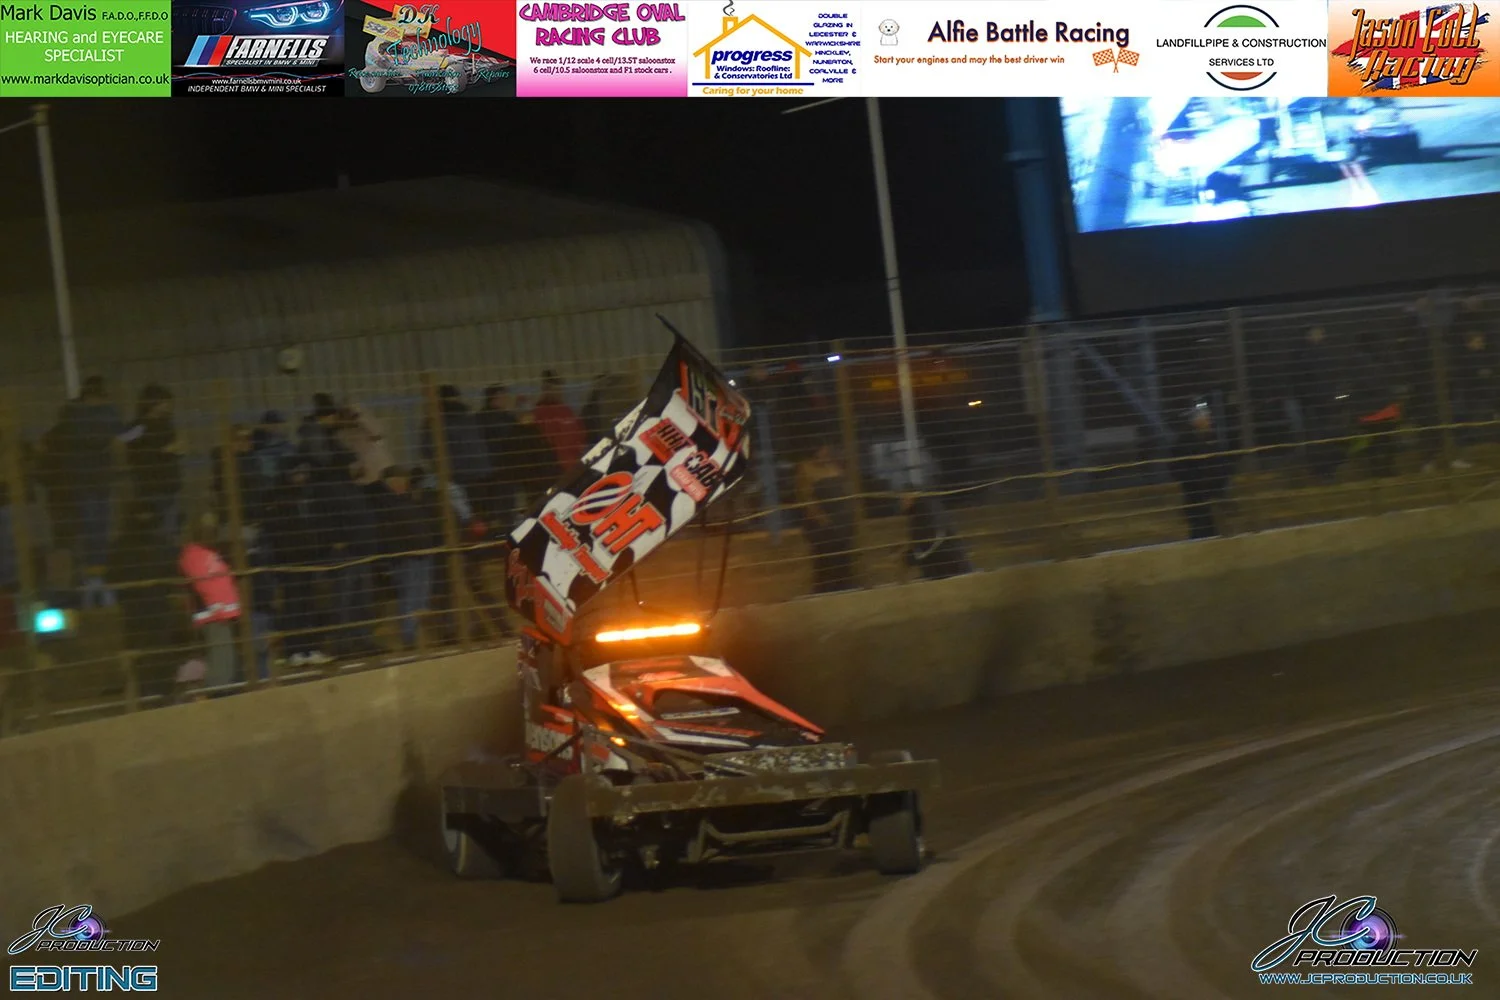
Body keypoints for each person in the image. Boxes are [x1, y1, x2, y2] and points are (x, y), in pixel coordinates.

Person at [53, 376, 127, 604]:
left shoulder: (80, 414)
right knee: (91, 525)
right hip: (85, 479)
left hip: (96, 479)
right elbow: (106, 435)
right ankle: (92, 573)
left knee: (98, 527)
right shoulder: (77, 414)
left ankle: (96, 572)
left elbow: (119, 432)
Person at [107, 499, 182, 700]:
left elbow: (112, 577)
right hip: (143, 608)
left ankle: (155, 693)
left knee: (154, 652)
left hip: (147, 607)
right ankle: (152, 694)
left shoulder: (130, 544)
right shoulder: (130, 545)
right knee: (146, 654)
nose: (144, 518)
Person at [262, 458, 333, 667]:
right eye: (299, 473)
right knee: (294, 605)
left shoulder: (306, 497)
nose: (303, 477)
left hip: (306, 559)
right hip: (289, 561)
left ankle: (310, 648)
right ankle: (295, 650)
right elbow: (278, 533)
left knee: (308, 604)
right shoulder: (280, 499)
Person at [372, 466, 439, 651]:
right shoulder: (386, 503)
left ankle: (419, 636)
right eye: (399, 480)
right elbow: (390, 533)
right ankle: (410, 637)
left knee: (421, 598)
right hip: (407, 557)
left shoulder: (409, 500)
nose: (403, 483)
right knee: (410, 597)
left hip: (422, 554)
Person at [179, 512, 241, 690]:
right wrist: (218, 609)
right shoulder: (193, 555)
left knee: (225, 657)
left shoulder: (209, 552)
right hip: (212, 615)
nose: (210, 533)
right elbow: (203, 584)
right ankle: (217, 693)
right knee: (221, 660)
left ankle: (221, 689)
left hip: (223, 614)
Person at [125, 384, 184, 546]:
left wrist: (177, 449)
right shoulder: (138, 427)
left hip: (170, 484)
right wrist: (162, 451)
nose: (168, 406)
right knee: (153, 529)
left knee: (170, 530)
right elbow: (132, 454)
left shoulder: (167, 424)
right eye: (165, 402)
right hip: (150, 485)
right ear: (153, 403)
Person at [796, 443, 857, 594]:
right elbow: (806, 498)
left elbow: (846, 491)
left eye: (827, 450)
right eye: (823, 450)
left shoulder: (834, 466)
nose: (826, 453)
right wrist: (823, 520)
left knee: (843, 557)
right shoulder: (806, 469)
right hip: (822, 524)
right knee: (825, 559)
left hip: (841, 521)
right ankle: (825, 589)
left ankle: (845, 585)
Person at [1170, 399, 1234, 540]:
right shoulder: (1185, 442)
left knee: (1215, 531)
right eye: (1206, 418)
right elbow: (1179, 469)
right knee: (1201, 530)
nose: (1209, 421)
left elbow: (1222, 462)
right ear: (1196, 421)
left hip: (1212, 494)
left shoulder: (1209, 438)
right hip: (1198, 496)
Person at [901, 492, 973, 581]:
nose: (902, 503)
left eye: (903, 499)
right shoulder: (919, 512)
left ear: (911, 496)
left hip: (951, 568)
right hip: (941, 568)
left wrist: (914, 556)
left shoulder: (928, 509)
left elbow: (934, 537)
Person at [532, 370, 587, 475]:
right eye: (554, 388)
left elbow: (580, 434)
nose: (558, 391)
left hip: (573, 466)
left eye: (558, 388)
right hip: (556, 468)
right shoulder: (540, 413)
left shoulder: (565, 410)